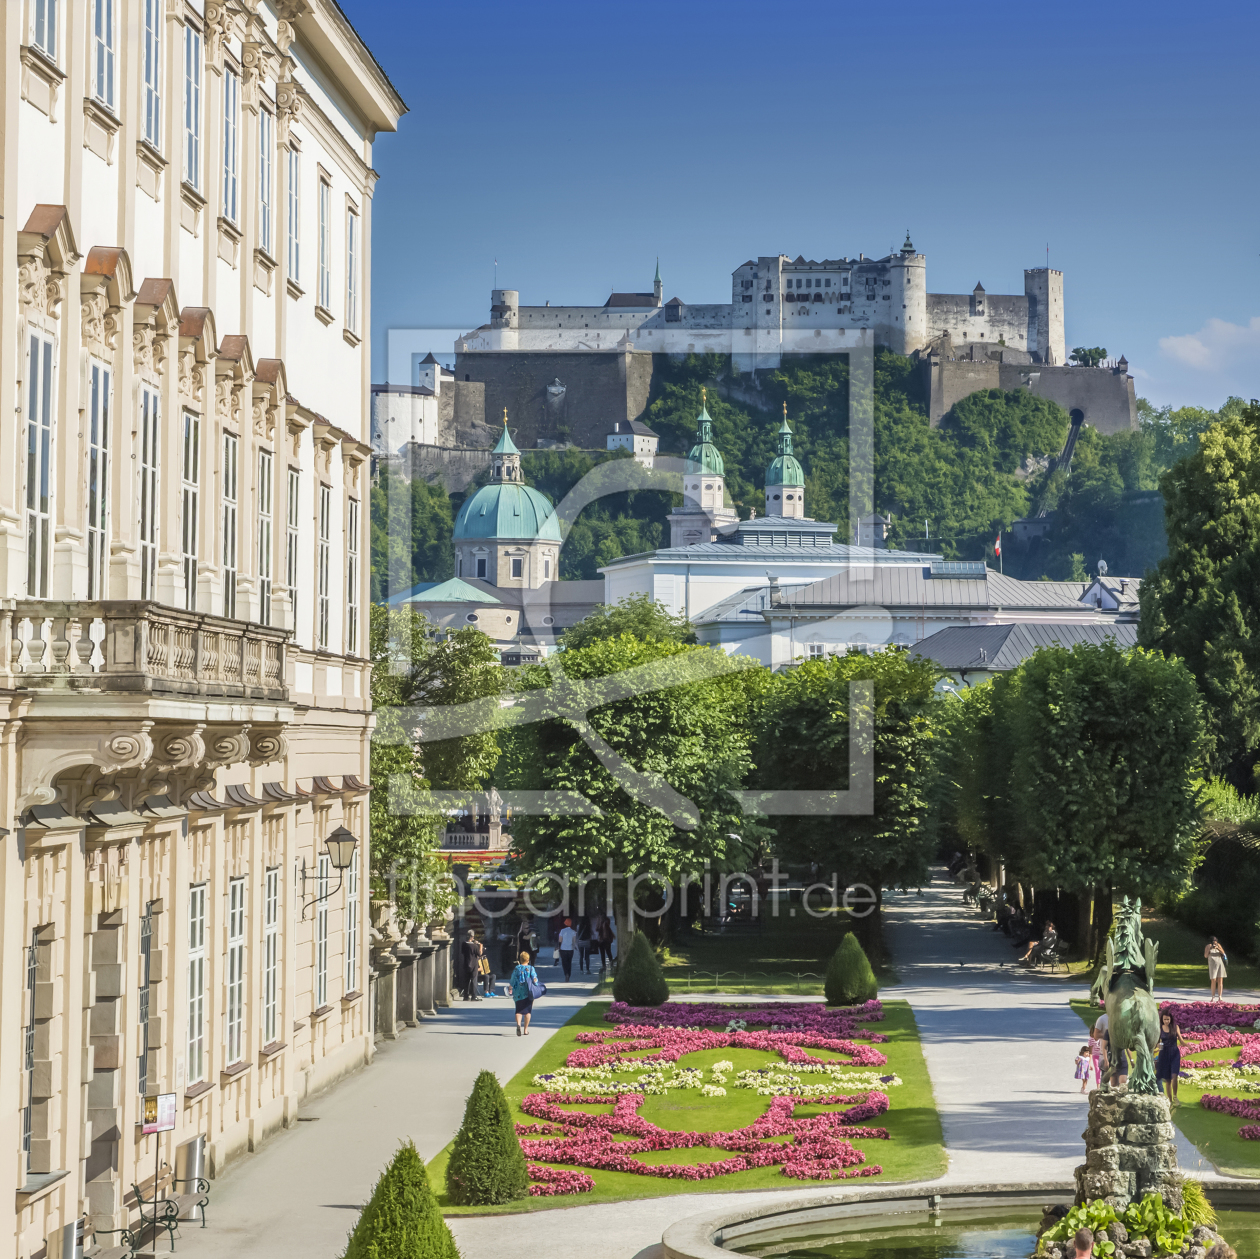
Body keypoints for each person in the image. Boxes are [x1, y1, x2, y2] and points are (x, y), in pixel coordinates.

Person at [1156, 1009, 1186, 1105]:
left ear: (1171, 1019)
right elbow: (1156, 1043)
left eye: (1168, 1019)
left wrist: (1187, 1045)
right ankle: (1169, 1100)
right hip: (1164, 1054)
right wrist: (1158, 1046)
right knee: (1167, 1079)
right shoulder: (1159, 1028)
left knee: (1174, 1076)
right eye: (1165, 1019)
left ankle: (1175, 1097)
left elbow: (1181, 1040)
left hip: (1174, 1053)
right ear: (1162, 1019)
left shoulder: (1175, 1027)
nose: (1166, 1021)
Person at [509, 950, 539, 1037]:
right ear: (528, 959)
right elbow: (535, 979)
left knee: (518, 1010)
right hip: (528, 991)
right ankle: (525, 1030)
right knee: (527, 1012)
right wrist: (536, 983)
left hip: (518, 991)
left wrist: (510, 986)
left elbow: (513, 979)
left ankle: (518, 1024)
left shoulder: (517, 968)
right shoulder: (531, 968)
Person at [459, 930, 482, 1002]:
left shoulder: (464, 944)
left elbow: (462, 952)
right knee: (474, 980)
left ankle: (466, 996)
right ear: (472, 937)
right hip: (474, 964)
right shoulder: (475, 946)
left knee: (466, 980)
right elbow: (479, 954)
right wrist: (480, 946)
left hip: (466, 963)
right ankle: (473, 996)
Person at [1206, 936, 1228, 1003]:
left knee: (1220, 980)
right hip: (1212, 964)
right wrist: (1210, 948)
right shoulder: (1208, 946)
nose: (1214, 944)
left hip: (1220, 963)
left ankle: (1220, 996)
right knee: (1213, 980)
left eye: (1215, 942)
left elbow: (1223, 952)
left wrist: (1218, 948)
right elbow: (1205, 955)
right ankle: (1213, 997)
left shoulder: (1218, 945)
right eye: (1213, 942)